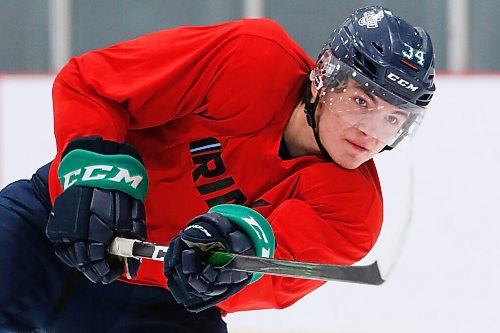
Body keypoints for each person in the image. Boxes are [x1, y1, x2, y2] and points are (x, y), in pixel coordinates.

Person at [0, 5, 435, 332]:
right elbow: (95, 84)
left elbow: (270, 267)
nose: (372, 133)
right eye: (361, 102)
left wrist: (232, 261)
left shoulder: (354, 212)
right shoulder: (251, 58)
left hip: (157, 306)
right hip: (50, 223)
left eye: (394, 118)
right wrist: (91, 173)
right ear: (324, 77)